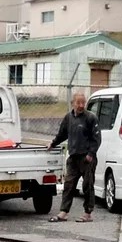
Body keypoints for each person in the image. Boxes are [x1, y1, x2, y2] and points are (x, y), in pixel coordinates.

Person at [48, 92, 102, 223]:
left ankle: (88, 213)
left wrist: (91, 154)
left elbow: (97, 139)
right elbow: (62, 134)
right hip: (73, 157)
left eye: (83, 103)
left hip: (86, 158)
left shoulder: (91, 118)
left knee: (87, 185)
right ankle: (64, 212)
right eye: (78, 103)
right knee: (69, 185)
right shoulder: (69, 118)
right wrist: (53, 143)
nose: (81, 105)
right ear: (73, 103)